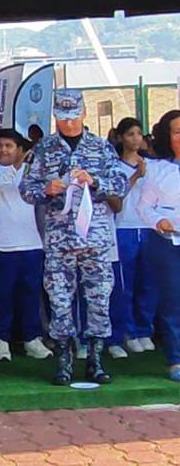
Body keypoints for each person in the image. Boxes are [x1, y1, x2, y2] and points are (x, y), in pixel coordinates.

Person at [20, 89, 128, 386]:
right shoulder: (43, 149)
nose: (68, 122)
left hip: (95, 238)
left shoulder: (101, 147)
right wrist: (46, 189)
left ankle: (95, 359)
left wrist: (95, 182)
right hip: (60, 239)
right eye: (62, 117)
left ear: (84, 113)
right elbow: (25, 188)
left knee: (99, 298)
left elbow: (121, 185)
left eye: (73, 116)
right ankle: (64, 361)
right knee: (59, 299)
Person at [0, 129, 50, 361]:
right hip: (1, 246)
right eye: (0, 145)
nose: (3, 150)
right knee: (2, 295)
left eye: (9, 146)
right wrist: (14, 168)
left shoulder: (31, 171)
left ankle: (32, 339)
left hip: (30, 243)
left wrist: (23, 168)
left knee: (30, 294)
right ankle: (1, 341)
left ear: (19, 149)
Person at [137, 110, 180, 380]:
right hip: (167, 244)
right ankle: (176, 359)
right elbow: (144, 208)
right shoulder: (157, 170)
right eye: (177, 132)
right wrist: (158, 220)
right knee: (173, 301)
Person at [110, 117, 158, 357]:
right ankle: (126, 331)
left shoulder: (152, 165)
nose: (136, 138)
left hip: (148, 228)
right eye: (130, 134)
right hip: (124, 228)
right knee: (125, 284)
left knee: (148, 282)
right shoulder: (115, 167)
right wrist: (135, 176)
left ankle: (144, 329)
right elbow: (116, 199)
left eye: (139, 133)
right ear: (121, 137)